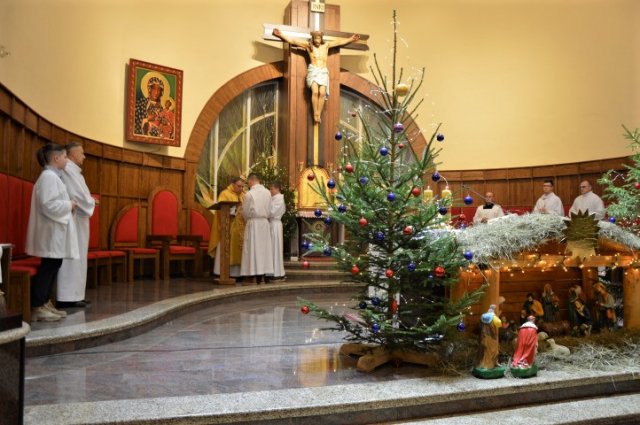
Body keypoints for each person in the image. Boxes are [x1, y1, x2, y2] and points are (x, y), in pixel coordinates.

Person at [26, 143, 79, 321]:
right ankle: (38, 306)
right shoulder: (48, 177)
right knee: (48, 267)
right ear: (56, 158)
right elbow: (48, 204)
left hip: (54, 231)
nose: (66, 160)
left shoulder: (53, 176)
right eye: (64, 157)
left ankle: (45, 302)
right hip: (51, 232)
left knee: (54, 265)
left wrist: (69, 205)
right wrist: (69, 204)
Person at [272, 28, 360, 123]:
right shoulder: (308, 46)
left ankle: (319, 113)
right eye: (315, 38)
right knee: (315, 92)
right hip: (313, 71)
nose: (317, 40)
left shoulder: (326, 45)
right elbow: (293, 41)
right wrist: (281, 34)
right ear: (313, 39)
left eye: (318, 38)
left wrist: (351, 39)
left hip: (323, 72)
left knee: (322, 93)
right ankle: (315, 113)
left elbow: (339, 42)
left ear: (321, 38)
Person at [57, 142, 96, 308]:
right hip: (72, 219)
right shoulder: (67, 169)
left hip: (79, 220)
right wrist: (91, 202)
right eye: (82, 153)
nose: (84, 156)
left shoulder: (75, 172)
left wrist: (89, 201)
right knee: (72, 258)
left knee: (79, 258)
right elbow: (76, 195)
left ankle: (77, 294)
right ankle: (66, 296)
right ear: (72, 154)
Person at [208, 177, 245, 279]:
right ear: (232, 184)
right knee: (226, 247)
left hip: (240, 228)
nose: (241, 188)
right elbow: (221, 210)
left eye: (242, 186)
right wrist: (235, 210)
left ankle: (237, 274)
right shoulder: (225, 194)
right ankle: (222, 272)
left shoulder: (243, 195)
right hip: (227, 227)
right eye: (239, 186)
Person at [240, 173, 274, 283]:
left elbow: (245, 212)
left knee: (252, 249)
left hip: (253, 223)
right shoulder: (268, 192)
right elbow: (270, 209)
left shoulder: (249, 194)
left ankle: (252, 276)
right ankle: (263, 275)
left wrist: (248, 220)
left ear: (250, 181)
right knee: (264, 250)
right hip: (264, 223)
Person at [267, 182, 286, 282]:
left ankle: (276, 273)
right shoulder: (274, 198)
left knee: (275, 248)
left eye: (272, 189)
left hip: (275, 224)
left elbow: (271, 212)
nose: (270, 191)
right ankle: (271, 271)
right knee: (272, 248)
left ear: (277, 189)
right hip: (272, 224)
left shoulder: (279, 199)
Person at [475, 304, 502, 370]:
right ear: (494, 310)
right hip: (491, 336)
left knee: (484, 349)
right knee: (493, 350)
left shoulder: (483, 316)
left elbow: (479, 325)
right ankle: (490, 364)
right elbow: (499, 323)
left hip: (483, 335)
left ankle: (482, 363)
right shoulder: (494, 317)